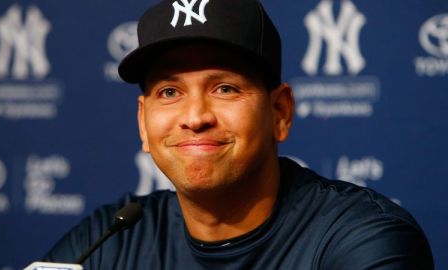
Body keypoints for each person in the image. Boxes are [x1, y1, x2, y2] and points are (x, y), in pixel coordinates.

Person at [45, 0, 434, 269]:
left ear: (280, 112)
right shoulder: (111, 238)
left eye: (225, 88)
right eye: (169, 92)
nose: (195, 116)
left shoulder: (360, 238)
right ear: (143, 122)